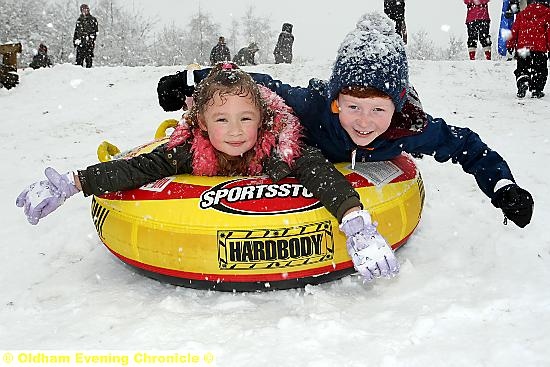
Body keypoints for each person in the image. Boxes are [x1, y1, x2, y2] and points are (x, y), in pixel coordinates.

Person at [16, 62, 399, 283]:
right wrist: (73, 183)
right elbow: (138, 168)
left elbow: (321, 175)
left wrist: (356, 223)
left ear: (262, 119)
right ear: (201, 122)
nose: (235, 132)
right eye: (222, 120)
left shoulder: (282, 144)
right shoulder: (189, 148)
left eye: (246, 119)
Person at [157, 12, 534, 230]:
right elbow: (257, 85)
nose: (365, 123)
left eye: (378, 110)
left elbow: (466, 145)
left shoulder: (408, 127)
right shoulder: (316, 107)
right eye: (353, 107)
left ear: (396, 106)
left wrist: (503, 186)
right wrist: (190, 80)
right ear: (337, 102)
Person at [506, 0, 550, 98]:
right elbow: (549, 32)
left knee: (522, 67)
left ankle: (523, 81)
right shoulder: (547, 13)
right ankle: (537, 89)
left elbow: (514, 31)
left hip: (523, 47)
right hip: (539, 48)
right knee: (540, 70)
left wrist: (510, 45)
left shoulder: (522, 14)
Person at [73, 3, 98, 68]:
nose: (84, 11)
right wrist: (75, 41)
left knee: (89, 60)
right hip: (80, 43)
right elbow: (76, 31)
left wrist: (90, 39)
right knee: (78, 61)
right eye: (83, 9)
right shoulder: (79, 20)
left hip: (89, 44)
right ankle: (78, 75)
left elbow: (95, 31)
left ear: (88, 10)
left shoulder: (92, 19)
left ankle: (88, 74)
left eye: (86, 9)